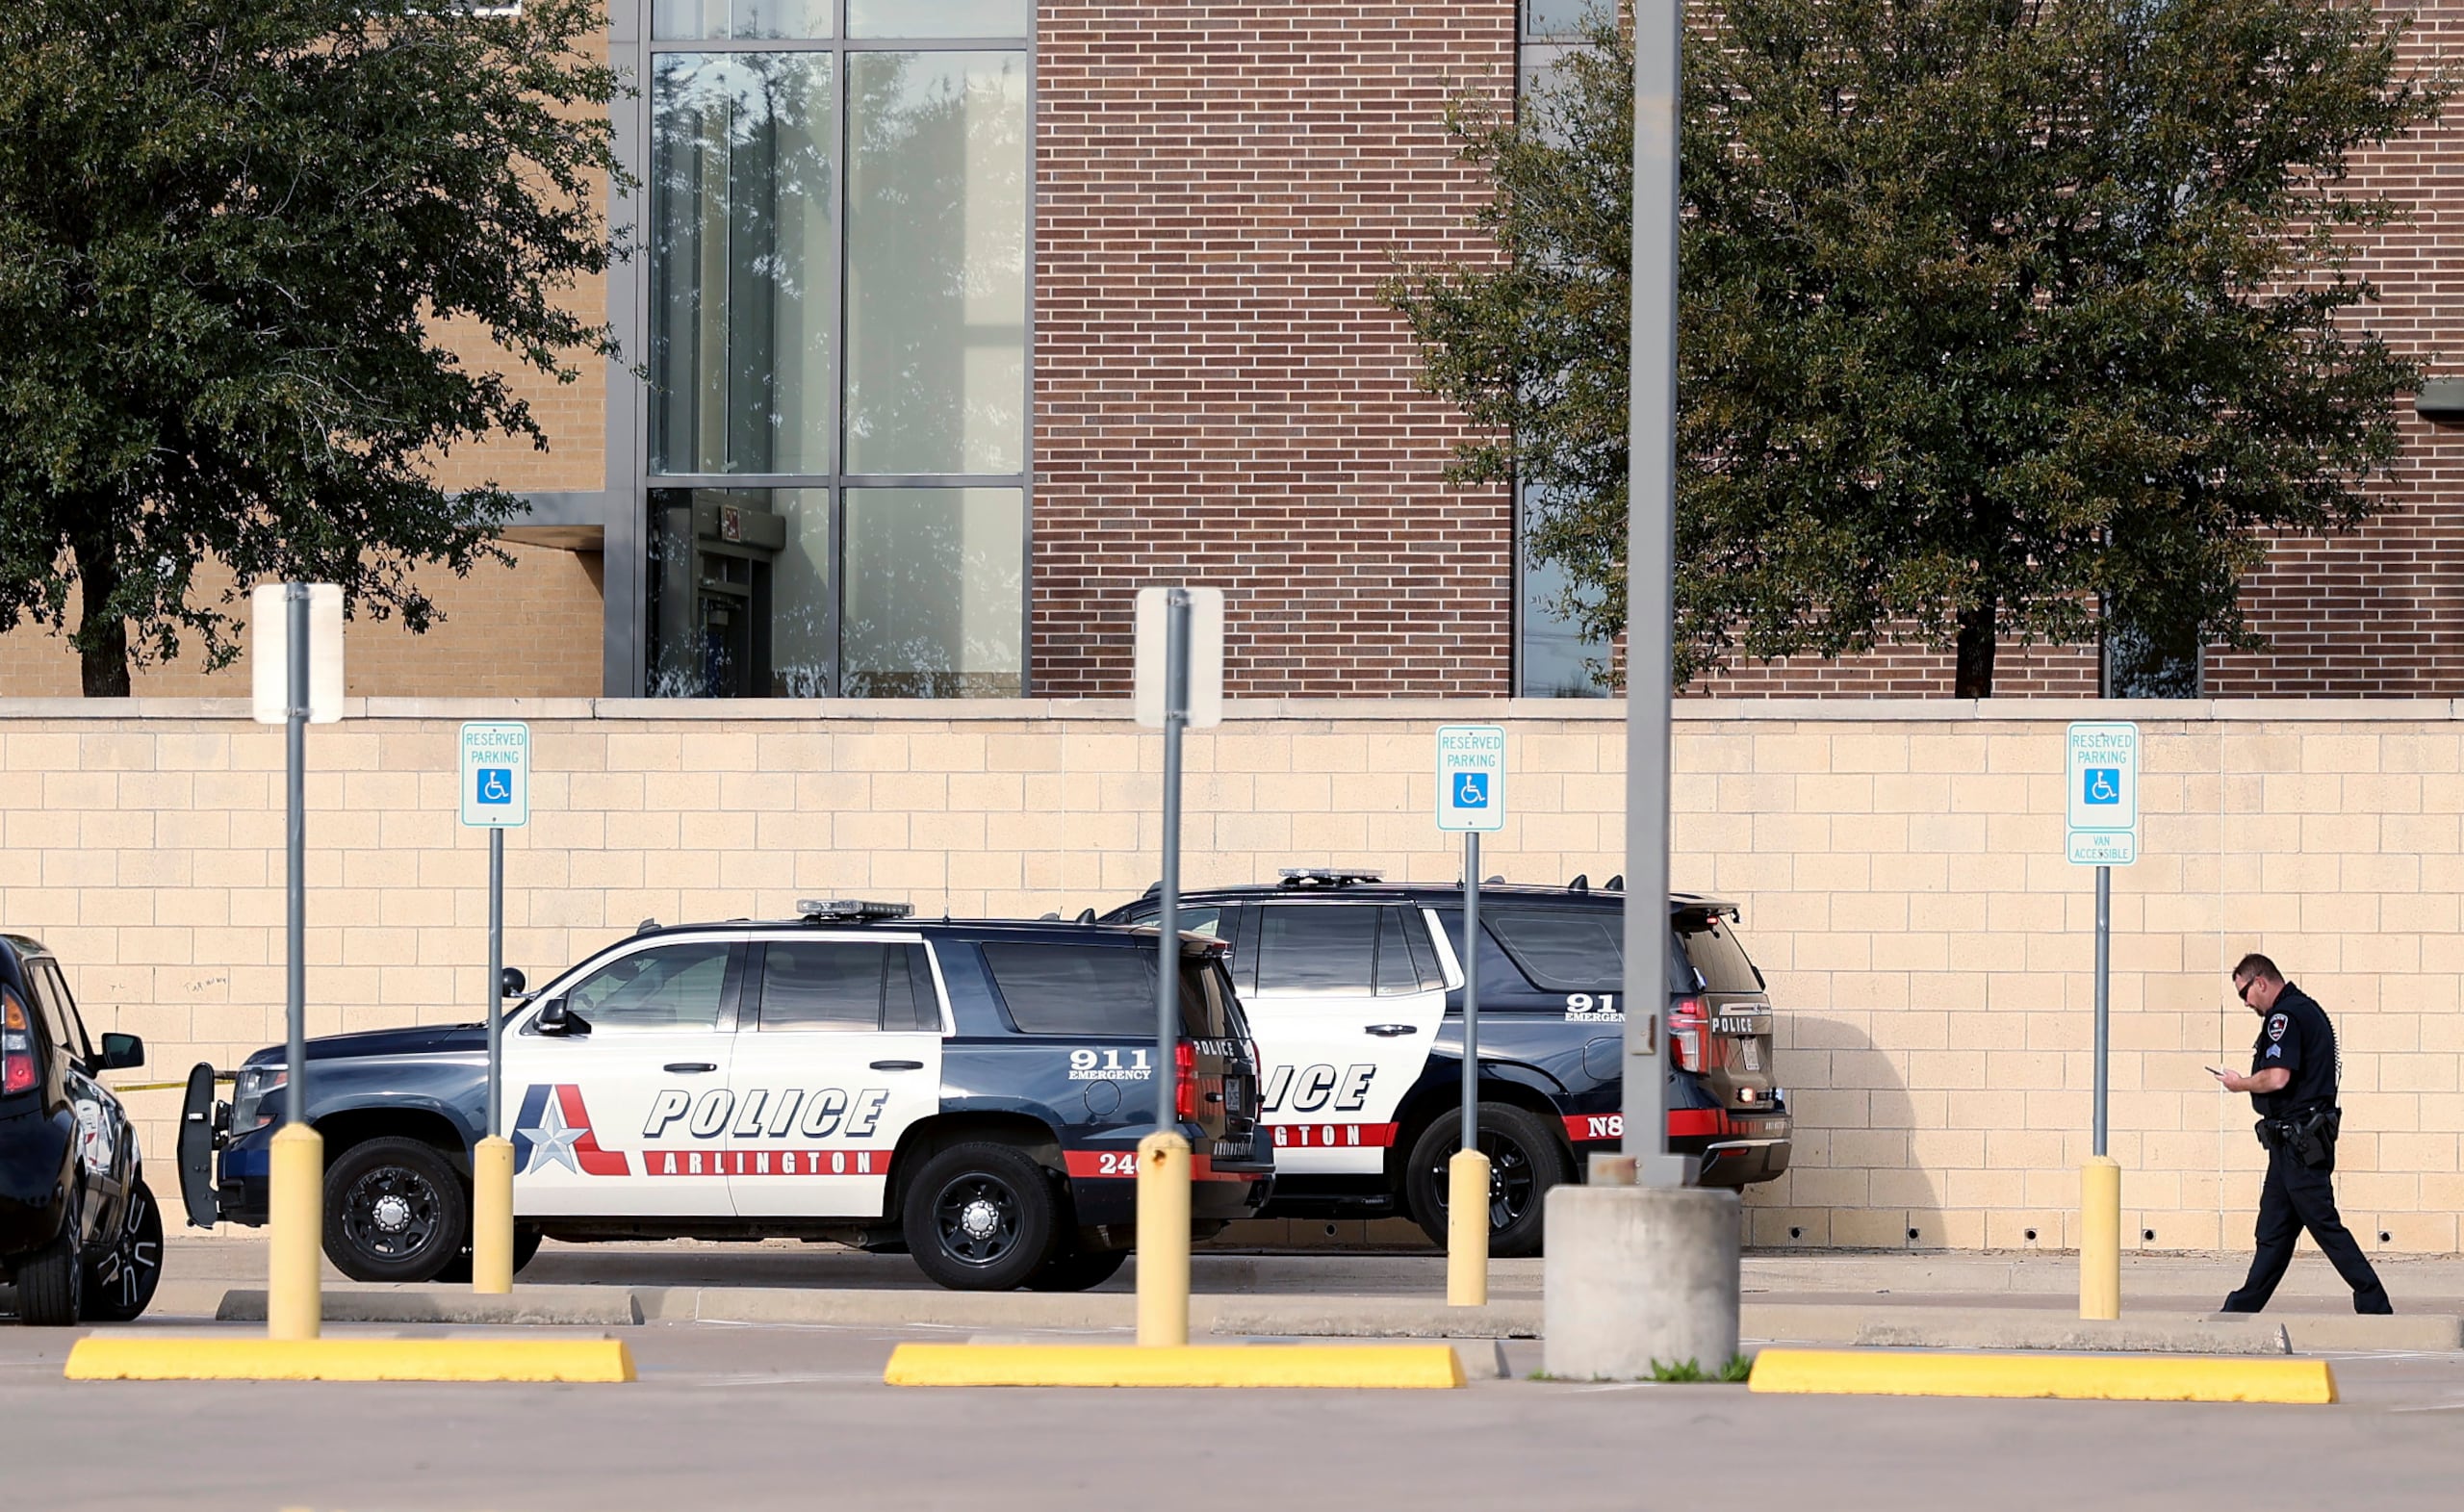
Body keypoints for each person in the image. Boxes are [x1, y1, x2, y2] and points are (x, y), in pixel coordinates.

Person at [2210, 954, 2392, 1316]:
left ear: (2260, 982)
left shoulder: (2285, 1016)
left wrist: (2239, 1084)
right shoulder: (2307, 1010)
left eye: (2245, 993)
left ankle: (2374, 1302)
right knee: (2273, 1232)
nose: (2246, 1003)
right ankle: (2240, 1310)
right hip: (2291, 1144)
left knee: (2323, 1224)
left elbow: (2277, 1077)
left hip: (2299, 1143)